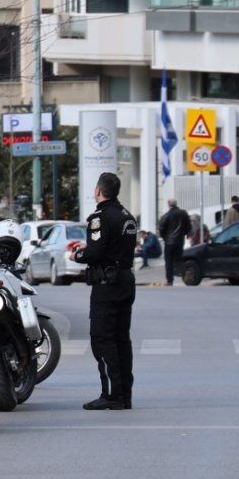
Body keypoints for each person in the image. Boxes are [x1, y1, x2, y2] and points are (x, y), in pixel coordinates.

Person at [70, 172, 137, 411]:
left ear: (98, 191)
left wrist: (78, 254)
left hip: (107, 284)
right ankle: (123, 394)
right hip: (126, 280)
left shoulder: (99, 217)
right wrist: (92, 247)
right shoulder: (127, 216)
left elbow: (96, 254)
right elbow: (112, 246)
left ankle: (111, 395)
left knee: (102, 339)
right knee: (121, 339)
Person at [157, 198, 191, 286]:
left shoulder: (166, 215)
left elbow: (161, 228)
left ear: (169, 205)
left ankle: (169, 280)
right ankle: (184, 272)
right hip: (180, 241)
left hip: (169, 242)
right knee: (178, 260)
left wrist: (165, 237)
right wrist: (185, 233)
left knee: (168, 261)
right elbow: (189, 226)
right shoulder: (184, 213)